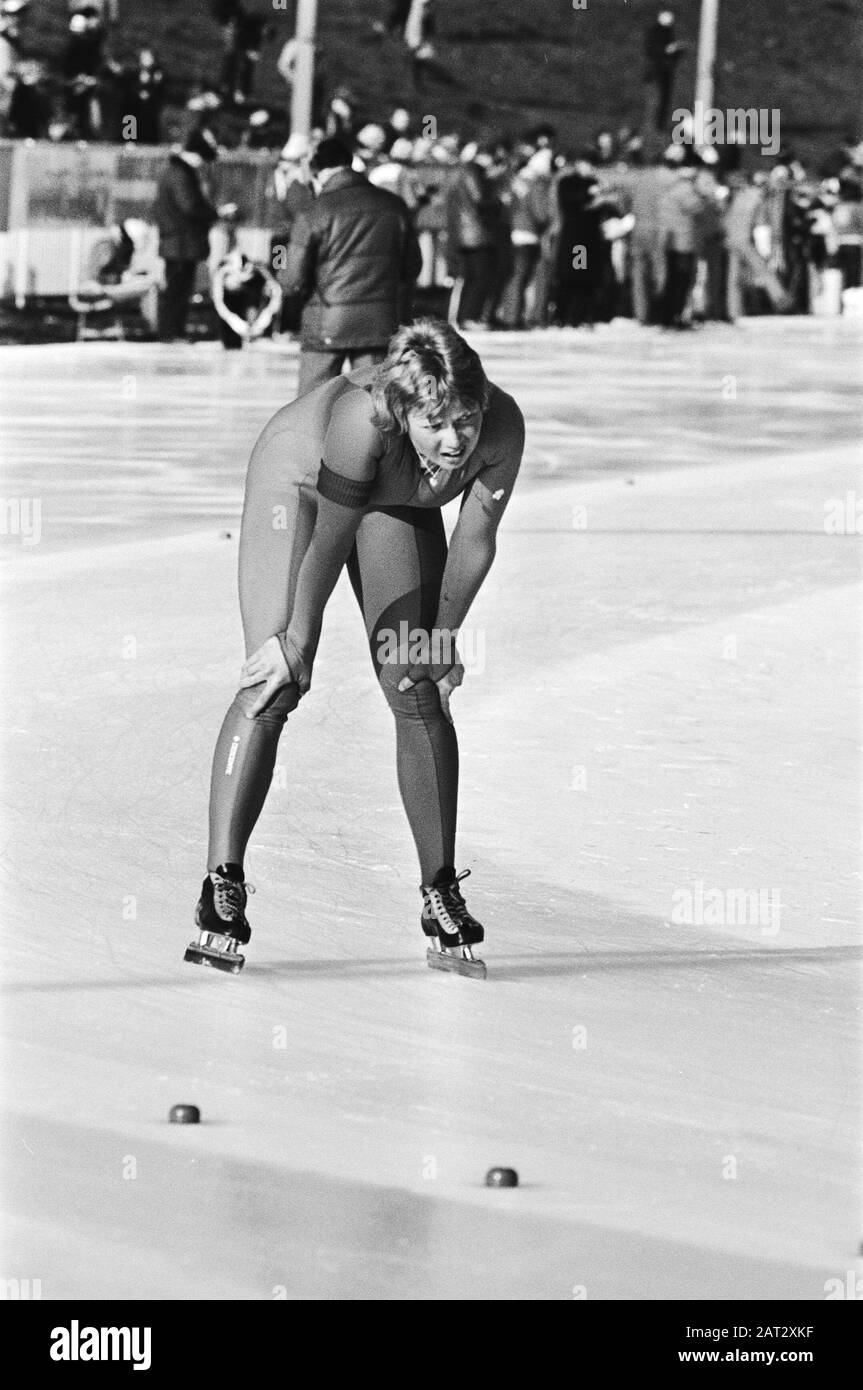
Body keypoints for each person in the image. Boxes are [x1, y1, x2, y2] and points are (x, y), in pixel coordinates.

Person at [186, 319, 525, 976]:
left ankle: (439, 891)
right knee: (276, 679)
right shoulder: (358, 422)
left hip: (395, 497)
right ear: (401, 412)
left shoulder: (502, 424)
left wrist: (441, 636)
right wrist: (298, 639)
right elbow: (330, 537)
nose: (455, 439)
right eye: (435, 424)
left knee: (414, 682)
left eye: (465, 419)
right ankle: (220, 881)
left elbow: (476, 538)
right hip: (303, 486)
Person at [280, 137, 422, 396]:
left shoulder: (313, 211)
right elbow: (412, 266)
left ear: (317, 172)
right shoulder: (394, 206)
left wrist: (288, 284)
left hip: (325, 321)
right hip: (380, 322)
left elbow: (291, 278)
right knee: (373, 407)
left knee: (313, 407)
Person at [153, 126, 231, 341]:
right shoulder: (180, 173)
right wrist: (215, 213)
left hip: (177, 241)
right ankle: (171, 332)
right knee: (177, 290)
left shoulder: (173, 171)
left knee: (178, 289)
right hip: (180, 242)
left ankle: (172, 331)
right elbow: (190, 206)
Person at [643, 9, 685, 133]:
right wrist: (668, 50)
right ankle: (655, 125)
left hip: (664, 71)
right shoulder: (657, 33)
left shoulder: (663, 32)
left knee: (663, 99)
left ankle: (659, 125)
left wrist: (675, 51)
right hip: (658, 71)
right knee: (658, 98)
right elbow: (655, 50)